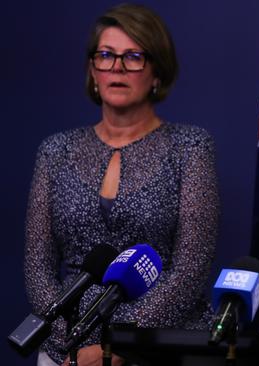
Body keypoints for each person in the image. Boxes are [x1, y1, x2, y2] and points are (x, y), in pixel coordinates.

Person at [23, 4, 219, 366]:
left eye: (133, 57)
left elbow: (191, 269)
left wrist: (120, 345)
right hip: (67, 349)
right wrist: (71, 342)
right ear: (92, 71)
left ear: (157, 70)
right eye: (106, 55)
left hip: (159, 344)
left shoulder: (190, 147)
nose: (117, 67)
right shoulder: (55, 151)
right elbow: (38, 265)